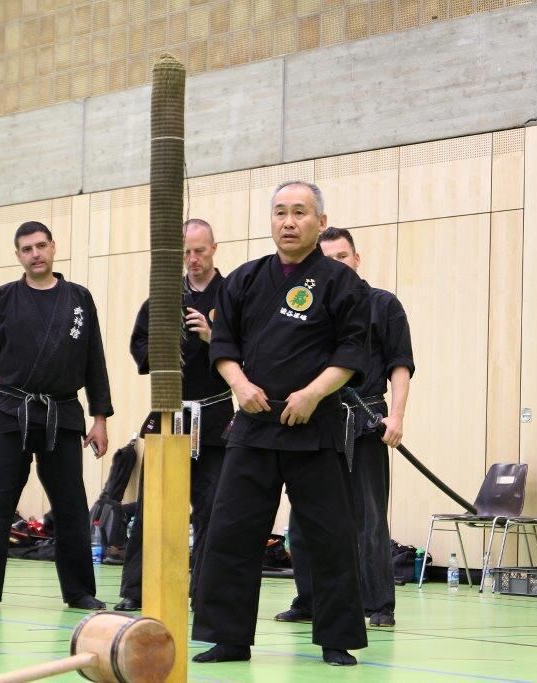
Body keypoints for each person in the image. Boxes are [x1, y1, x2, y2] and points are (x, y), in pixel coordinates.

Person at [191, 181, 370, 666]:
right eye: (279, 213)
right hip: (252, 424)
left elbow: (352, 353)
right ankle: (227, 637)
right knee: (231, 531)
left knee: (329, 536)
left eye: (299, 213)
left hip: (313, 426)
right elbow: (222, 344)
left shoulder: (343, 284)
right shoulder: (245, 280)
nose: (288, 222)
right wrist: (240, 385)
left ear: (320, 221)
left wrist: (313, 393)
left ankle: (336, 639)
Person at [0, 221, 114, 610]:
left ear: (54, 247)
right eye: (27, 249)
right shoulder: (2, 299)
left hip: (63, 411)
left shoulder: (79, 298)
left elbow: (94, 359)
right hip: (10, 410)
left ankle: (79, 591)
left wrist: (99, 418)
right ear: (18, 255)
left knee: (72, 505)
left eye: (41, 246)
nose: (35, 254)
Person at [275, 226, 413, 629]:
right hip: (319, 422)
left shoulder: (383, 305)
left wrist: (397, 417)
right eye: (328, 258)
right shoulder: (314, 305)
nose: (336, 263)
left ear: (356, 258)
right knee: (303, 516)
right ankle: (309, 600)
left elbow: (399, 365)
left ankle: (378, 605)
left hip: (367, 419)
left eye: (342, 256)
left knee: (369, 517)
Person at [113, 219, 233, 612]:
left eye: (200, 250)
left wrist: (211, 337)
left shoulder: (234, 295)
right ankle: (136, 589)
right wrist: (171, 343)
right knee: (155, 508)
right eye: (186, 252)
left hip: (215, 421)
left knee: (213, 510)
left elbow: (252, 352)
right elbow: (140, 351)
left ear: (215, 247)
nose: (193, 259)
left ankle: (205, 592)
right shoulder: (163, 297)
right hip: (170, 417)